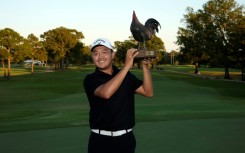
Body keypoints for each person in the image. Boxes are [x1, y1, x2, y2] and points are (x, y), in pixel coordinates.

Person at [83, 38, 154, 153]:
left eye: (104, 52)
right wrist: (126, 67)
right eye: (96, 53)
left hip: (125, 139)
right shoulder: (90, 79)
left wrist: (145, 67)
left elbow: (148, 92)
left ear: (113, 55)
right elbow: (106, 93)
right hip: (101, 141)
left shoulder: (127, 76)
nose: (100, 56)